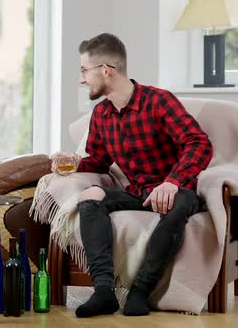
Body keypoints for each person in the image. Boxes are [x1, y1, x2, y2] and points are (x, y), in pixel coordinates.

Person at [51, 33, 213, 317]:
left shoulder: (159, 102)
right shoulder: (101, 114)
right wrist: (74, 164)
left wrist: (172, 182)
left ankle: (140, 290)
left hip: (177, 192)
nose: (81, 79)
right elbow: (99, 161)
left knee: (179, 206)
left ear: (105, 70)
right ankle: (103, 292)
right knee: (89, 199)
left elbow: (199, 143)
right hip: (137, 192)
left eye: (83, 71)